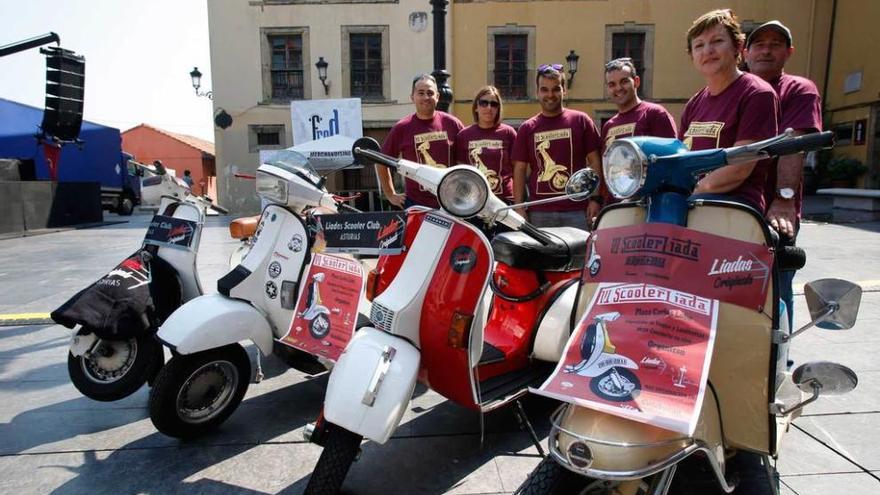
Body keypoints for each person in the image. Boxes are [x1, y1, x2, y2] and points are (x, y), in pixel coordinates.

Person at [744, 20, 822, 330]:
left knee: (776, 285)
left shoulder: (797, 89)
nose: (766, 50)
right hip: (734, 205)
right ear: (745, 53)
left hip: (772, 209)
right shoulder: (734, 92)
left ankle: (779, 356)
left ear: (788, 52)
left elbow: (793, 144)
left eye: (775, 44)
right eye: (759, 44)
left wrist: (784, 199)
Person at [680, 9, 779, 213]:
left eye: (717, 41)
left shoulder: (757, 94)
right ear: (692, 56)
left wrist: (690, 193)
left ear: (738, 47)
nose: (707, 51)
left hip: (735, 208)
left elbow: (740, 167)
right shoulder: (695, 103)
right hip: (693, 203)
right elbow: (680, 158)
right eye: (699, 45)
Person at [512, 64, 603, 229]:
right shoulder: (527, 128)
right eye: (544, 89)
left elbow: (595, 161)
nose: (550, 95)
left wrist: (595, 199)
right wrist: (519, 207)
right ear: (537, 92)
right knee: (541, 255)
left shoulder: (581, 120)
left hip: (578, 210)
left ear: (564, 90)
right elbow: (519, 169)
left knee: (580, 255)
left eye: (555, 89)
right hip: (539, 211)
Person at [378, 74, 464, 209]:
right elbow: (382, 162)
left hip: (453, 204)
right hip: (417, 205)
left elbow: (465, 161)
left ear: (437, 97)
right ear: (412, 97)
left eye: (430, 93)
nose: (426, 97)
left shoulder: (453, 124)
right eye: (421, 93)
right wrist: (391, 195)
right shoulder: (402, 128)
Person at [601, 57, 677, 203]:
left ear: (636, 81)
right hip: (615, 206)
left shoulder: (655, 114)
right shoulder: (609, 125)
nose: (618, 88)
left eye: (624, 81)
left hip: (648, 204)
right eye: (612, 84)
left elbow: (673, 162)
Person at [454, 86, 517, 203]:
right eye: (484, 103)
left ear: (498, 108)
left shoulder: (509, 132)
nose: (489, 108)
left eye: (494, 104)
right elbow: (461, 172)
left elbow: (518, 169)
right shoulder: (463, 135)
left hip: (505, 200)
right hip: (474, 202)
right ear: (476, 107)